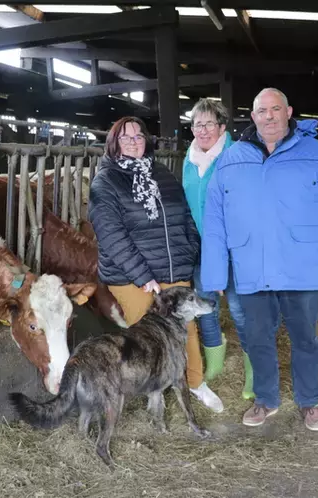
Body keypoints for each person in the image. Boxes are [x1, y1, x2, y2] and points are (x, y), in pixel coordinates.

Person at [201, 88, 318, 431]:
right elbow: (214, 220)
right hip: (250, 266)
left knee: (304, 338)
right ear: (252, 117)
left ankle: (309, 401)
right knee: (257, 337)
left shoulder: (316, 153)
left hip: (302, 265)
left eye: (275, 109)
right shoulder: (233, 157)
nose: (269, 116)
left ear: (289, 112)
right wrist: (215, 275)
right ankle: (266, 398)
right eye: (261, 111)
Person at [88, 116, 224, 413]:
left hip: (174, 270)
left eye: (139, 136)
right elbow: (111, 235)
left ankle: (195, 383)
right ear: (114, 144)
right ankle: (154, 392)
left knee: (186, 331)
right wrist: (142, 275)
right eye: (126, 138)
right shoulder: (106, 181)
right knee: (150, 337)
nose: (134, 142)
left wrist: (190, 254)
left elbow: (185, 218)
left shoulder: (162, 174)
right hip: (131, 276)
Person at [182, 98, 252, 401]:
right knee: (205, 307)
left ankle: (255, 372)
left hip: (233, 250)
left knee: (240, 310)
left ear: (222, 127)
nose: (203, 130)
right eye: (198, 124)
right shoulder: (189, 160)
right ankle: (214, 364)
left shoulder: (236, 156)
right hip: (200, 249)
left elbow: (245, 206)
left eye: (210, 123)